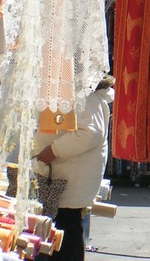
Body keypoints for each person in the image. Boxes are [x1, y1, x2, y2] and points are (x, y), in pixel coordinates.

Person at [34, 75, 115, 261]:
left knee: (67, 233)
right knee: (64, 232)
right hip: (67, 175)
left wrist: (54, 150)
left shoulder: (84, 96)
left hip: (71, 179)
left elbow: (91, 133)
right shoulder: (80, 93)